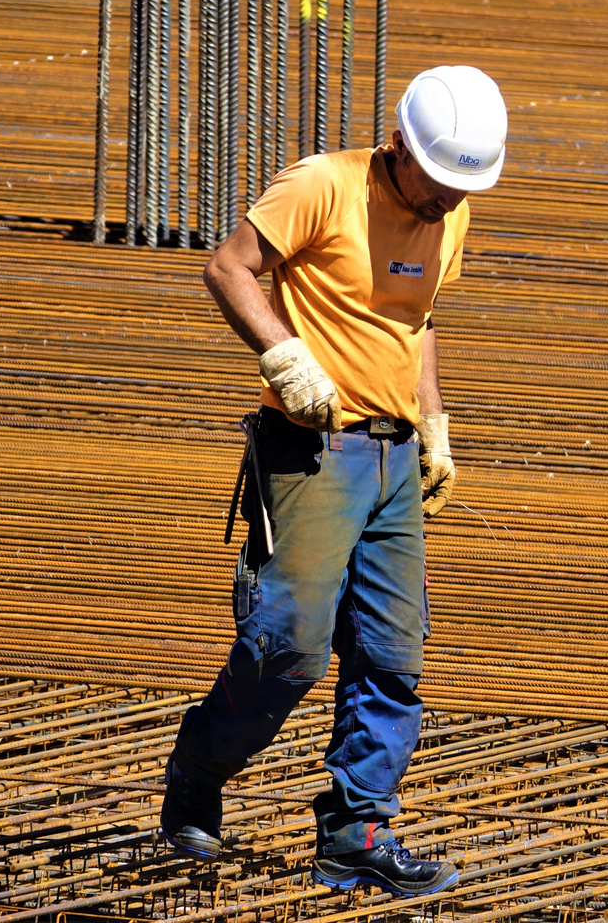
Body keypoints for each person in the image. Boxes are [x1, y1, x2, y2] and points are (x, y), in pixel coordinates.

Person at [160, 65, 509, 897]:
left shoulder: (448, 213)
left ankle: (356, 831)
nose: (448, 203)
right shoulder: (323, 184)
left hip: (392, 460)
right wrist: (285, 358)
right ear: (398, 146)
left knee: (392, 655)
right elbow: (228, 267)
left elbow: (416, 321)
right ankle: (198, 773)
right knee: (289, 647)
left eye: (465, 188)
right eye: (438, 184)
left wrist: (432, 422)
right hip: (312, 450)